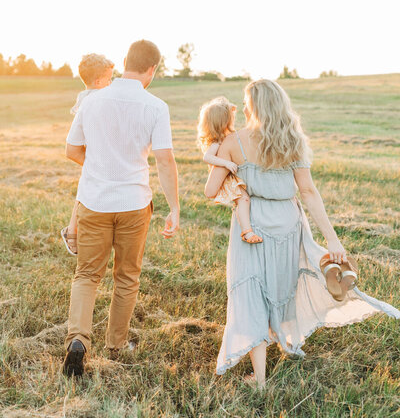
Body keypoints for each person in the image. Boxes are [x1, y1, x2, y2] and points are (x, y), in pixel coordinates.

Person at [205, 79, 400, 388]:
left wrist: (236, 187)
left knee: (251, 290)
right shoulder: (292, 140)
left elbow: (211, 189)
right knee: (281, 286)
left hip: (251, 223)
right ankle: (281, 339)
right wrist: (332, 239)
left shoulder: (233, 142)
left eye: (245, 101)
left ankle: (260, 378)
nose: (242, 108)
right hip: (287, 220)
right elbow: (308, 192)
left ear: (255, 106)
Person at [62, 40, 179, 377]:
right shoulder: (156, 106)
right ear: (152, 69)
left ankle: (78, 340)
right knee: (126, 276)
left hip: (94, 202)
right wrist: (175, 207)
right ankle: (116, 343)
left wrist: (97, 163)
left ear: (125, 61)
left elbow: (72, 150)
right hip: (133, 204)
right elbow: (165, 161)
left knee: (86, 274)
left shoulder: (93, 101)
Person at [61, 53, 114, 256]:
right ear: (99, 81)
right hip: (93, 153)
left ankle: (74, 229)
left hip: (94, 152)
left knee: (85, 191)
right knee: (84, 193)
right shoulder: (93, 99)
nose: (111, 83)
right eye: (109, 79)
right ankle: (72, 230)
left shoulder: (88, 97)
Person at [197, 96, 262, 243]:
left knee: (244, 200)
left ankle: (247, 231)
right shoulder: (217, 142)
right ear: (223, 121)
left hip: (231, 177)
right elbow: (207, 157)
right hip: (227, 180)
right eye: (231, 117)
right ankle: (247, 232)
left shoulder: (228, 137)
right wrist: (225, 163)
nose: (233, 119)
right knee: (243, 200)